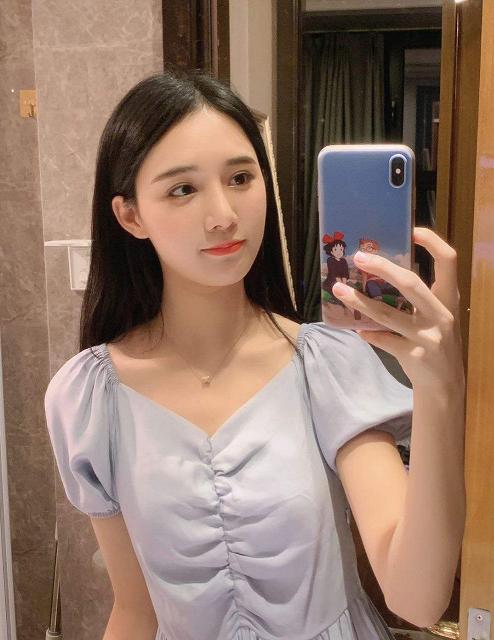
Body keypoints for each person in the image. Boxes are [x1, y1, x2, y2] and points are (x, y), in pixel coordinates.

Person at [44, 67, 466, 640]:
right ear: (131, 216)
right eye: (182, 189)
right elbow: (135, 610)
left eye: (240, 177)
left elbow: (417, 598)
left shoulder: (328, 366)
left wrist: (441, 387)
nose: (223, 214)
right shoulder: (89, 396)